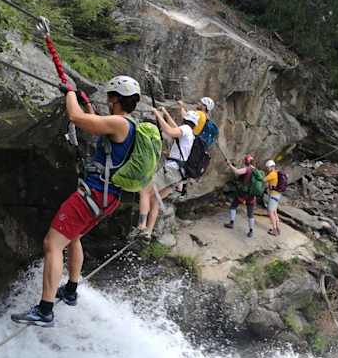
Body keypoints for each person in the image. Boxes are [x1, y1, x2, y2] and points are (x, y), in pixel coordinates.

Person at [11, 75, 143, 327]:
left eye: (109, 97)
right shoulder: (129, 125)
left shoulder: (118, 123)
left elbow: (75, 118)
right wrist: (85, 102)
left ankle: (45, 310)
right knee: (73, 237)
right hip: (107, 197)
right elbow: (93, 123)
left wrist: (69, 92)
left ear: (115, 98)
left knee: (52, 244)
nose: (107, 101)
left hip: (92, 195)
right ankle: (70, 290)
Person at [135, 107, 198, 239]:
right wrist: (165, 112)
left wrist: (157, 114)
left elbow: (169, 130)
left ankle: (141, 227)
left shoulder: (185, 130)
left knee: (144, 191)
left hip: (171, 170)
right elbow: (174, 126)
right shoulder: (190, 134)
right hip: (178, 175)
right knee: (155, 200)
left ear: (185, 120)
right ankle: (148, 232)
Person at [224, 154, 258, 238]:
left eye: (245, 160)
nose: (244, 161)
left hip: (243, 194)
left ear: (247, 161)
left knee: (233, 206)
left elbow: (237, 172)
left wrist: (230, 165)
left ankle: (231, 223)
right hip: (252, 195)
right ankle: (251, 231)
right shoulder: (256, 171)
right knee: (250, 214)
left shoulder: (247, 169)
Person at [264, 159, 282, 236]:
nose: (267, 169)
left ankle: (274, 230)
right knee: (274, 212)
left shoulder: (272, 174)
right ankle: (277, 228)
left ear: (271, 167)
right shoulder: (276, 173)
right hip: (278, 195)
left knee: (270, 212)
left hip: (274, 195)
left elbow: (263, 179)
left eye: (268, 168)